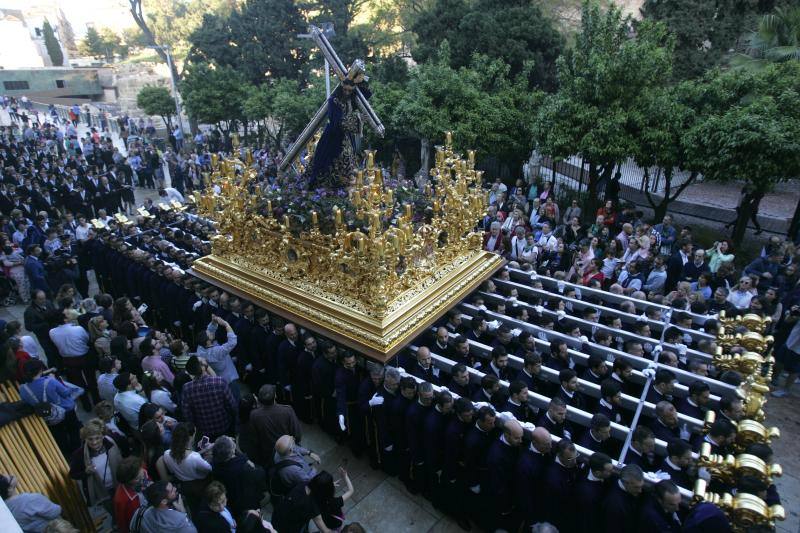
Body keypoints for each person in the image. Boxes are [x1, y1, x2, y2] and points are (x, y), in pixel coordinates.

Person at [305, 71, 371, 189]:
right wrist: (358, 118)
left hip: (346, 139)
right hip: (332, 138)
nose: (347, 93)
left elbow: (367, 94)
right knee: (326, 164)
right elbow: (337, 122)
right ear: (341, 88)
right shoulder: (334, 100)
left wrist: (359, 81)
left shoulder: (351, 100)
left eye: (350, 91)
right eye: (345, 89)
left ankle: (346, 186)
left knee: (349, 166)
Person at [68, 419, 122, 512]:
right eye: (90, 439)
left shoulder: (111, 443)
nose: (94, 442)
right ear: (85, 439)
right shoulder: (79, 455)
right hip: (102, 491)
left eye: (97, 438)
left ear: (103, 436)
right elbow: (73, 474)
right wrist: (85, 472)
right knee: (112, 510)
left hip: (119, 483)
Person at [181, 356, 237, 441]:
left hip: (204, 430)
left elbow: (187, 414)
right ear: (202, 367)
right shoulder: (220, 381)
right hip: (224, 424)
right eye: (202, 359)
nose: (204, 359)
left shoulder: (187, 388)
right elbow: (232, 405)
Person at [210, 435, 267, 519]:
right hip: (248, 505)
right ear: (232, 451)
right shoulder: (247, 468)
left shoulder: (215, 465)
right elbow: (260, 474)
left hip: (231, 503)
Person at [248, 384, 303, 467]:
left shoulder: (253, 415)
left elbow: (255, 438)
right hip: (287, 451)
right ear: (275, 396)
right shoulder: (287, 410)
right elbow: (297, 434)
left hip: (268, 453)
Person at [602, 463, 644, 533]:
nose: (640, 491)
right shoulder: (614, 505)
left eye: (641, 486)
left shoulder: (627, 490)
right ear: (625, 482)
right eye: (636, 487)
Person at [113, 456, 150, 533]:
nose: (143, 475)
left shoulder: (141, 471)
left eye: (142, 470)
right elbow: (123, 522)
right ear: (128, 481)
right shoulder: (122, 500)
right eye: (137, 478)